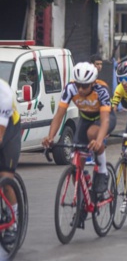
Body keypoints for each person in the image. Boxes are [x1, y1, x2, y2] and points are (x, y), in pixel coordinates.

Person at [42, 63, 116, 201]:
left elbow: (105, 120)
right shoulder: (70, 88)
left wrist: (99, 140)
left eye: (85, 86)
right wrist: (50, 137)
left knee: (93, 133)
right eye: (78, 85)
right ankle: (83, 199)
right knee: (76, 164)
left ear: (93, 83)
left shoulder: (101, 90)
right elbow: (59, 114)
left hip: (103, 118)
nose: (80, 89)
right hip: (85, 118)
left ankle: (102, 172)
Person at [0, 78, 21, 246]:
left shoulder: (4, 92)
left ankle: (13, 224)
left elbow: (1, 134)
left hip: (9, 129)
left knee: (6, 179)